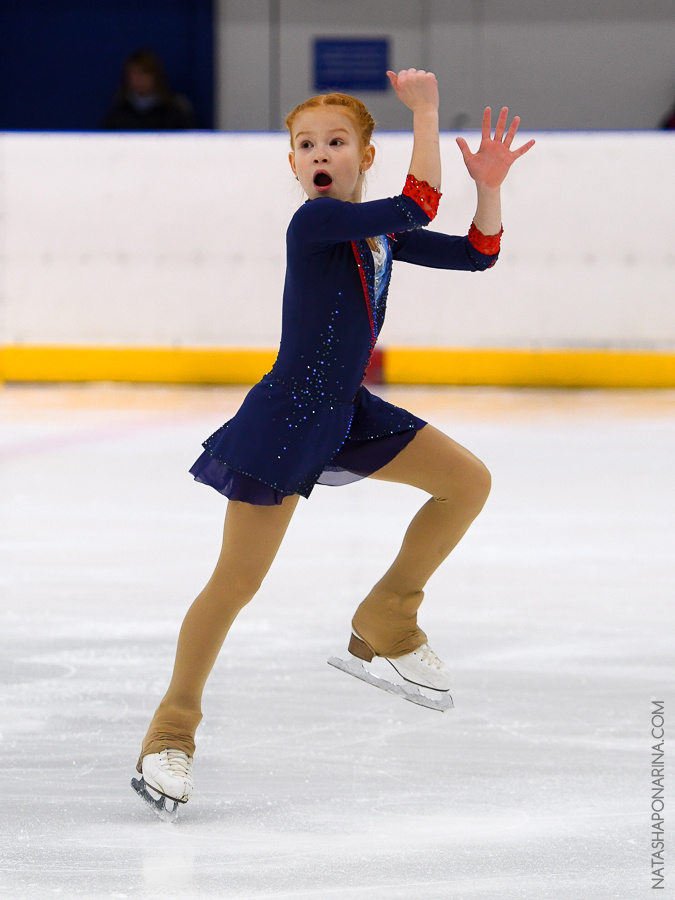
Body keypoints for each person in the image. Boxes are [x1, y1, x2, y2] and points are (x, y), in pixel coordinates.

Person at [131, 68, 535, 816]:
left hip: (345, 412)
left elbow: (477, 253)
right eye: (305, 144)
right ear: (292, 163)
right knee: (235, 585)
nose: (319, 152)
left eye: (336, 141)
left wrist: (490, 185)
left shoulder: (376, 233)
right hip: (287, 419)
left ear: (362, 156)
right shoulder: (313, 225)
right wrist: (427, 113)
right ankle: (170, 733)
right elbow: (419, 201)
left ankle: (388, 614)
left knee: (465, 482)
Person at [100, 49, 195, 131]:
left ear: (155, 76)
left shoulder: (172, 114)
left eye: (143, 73)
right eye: (133, 74)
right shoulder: (118, 116)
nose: (138, 79)